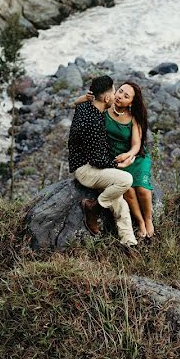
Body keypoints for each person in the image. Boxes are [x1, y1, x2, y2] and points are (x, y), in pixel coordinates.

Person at [76, 81, 154, 239]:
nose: (120, 96)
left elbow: (136, 145)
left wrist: (129, 155)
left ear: (131, 102)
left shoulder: (133, 118)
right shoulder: (105, 107)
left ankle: (148, 220)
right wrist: (86, 97)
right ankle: (139, 222)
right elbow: (76, 105)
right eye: (119, 91)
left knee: (143, 189)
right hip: (114, 158)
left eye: (126, 96)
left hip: (135, 158)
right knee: (129, 190)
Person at [68, 75, 138, 250]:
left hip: (90, 166)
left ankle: (129, 242)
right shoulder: (94, 122)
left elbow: (76, 103)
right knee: (125, 180)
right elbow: (97, 160)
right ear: (107, 98)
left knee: (119, 200)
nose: (116, 95)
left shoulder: (84, 107)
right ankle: (93, 208)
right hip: (85, 170)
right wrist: (119, 165)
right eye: (115, 92)